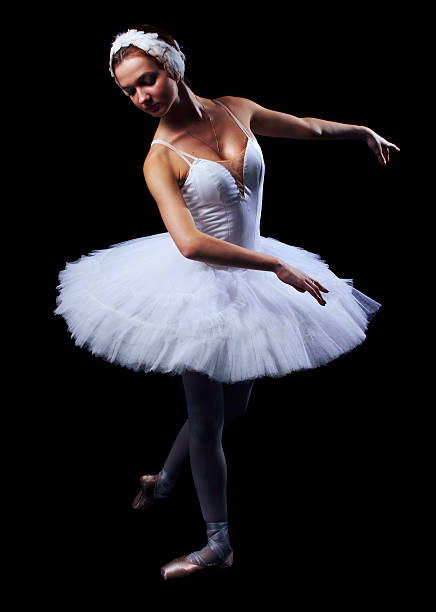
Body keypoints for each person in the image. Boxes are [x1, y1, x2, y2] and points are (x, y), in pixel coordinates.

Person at [54, 24, 399, 580]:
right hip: (201, 288)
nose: (143, 97)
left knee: (232, 408)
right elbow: (189, 244)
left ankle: (163, 480)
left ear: (174, 66)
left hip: (254, 277)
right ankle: (218, 543)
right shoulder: (158, 158)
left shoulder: (235, 108)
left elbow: (309, 128)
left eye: (149, 80)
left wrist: (359, 131)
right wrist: (275, 266)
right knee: (208, 417)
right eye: (130, 92)